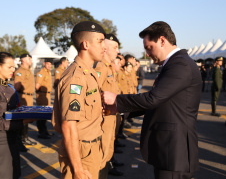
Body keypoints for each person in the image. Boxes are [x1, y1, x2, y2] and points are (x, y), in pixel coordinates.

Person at [102, 21, 202, 179]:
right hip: (169, 150)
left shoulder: (180, 64)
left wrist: (116, 99)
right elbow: (158, 101)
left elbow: (153, 98)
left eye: (149, 47)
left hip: (174, 151)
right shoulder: (174, 64)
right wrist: (119, 109)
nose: (147, 54)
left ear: (162, 40)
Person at [51, 21, 106, 179]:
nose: (104, 47)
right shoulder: (76, 77)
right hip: (81, 154)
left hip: (91, 148)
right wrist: (78, 169)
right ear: (86, 44)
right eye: (100, 41)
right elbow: (69, 125)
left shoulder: (89, 72)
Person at [94, 33, 122, 178]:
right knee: (101, 158)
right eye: (115, 47)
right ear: (105, 49)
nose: (117, 51)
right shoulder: (101, 68)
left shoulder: (109, 68)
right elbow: (92, 93)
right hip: (103, 120)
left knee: (107, 153)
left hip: (110, 119)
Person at [0, 52, 32, 179]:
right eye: (9, 67)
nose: (13, 70)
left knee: (15, 173)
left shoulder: (8, 87)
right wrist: (23, 121)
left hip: (12, 138)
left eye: (14, 67)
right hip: (2, 141)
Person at [14, 54, 37, 149]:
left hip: (29, 98)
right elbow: (16, 87)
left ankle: (25, 138)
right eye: (29, 58)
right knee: (22, 119)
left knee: (26, 119)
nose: (31, 60)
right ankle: (19, 141)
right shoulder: (20, 72)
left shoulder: (28, 71)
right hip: (23, 97)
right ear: (24, 60)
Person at [36, 58, 53, 139]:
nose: (49, 66)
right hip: (42, 95)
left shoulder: (48, 72)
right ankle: (41, 132)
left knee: (45, 115)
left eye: (50, 64)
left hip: (47, 95)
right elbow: (37, 86)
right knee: (41, 115)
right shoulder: (41, 73)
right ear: (44, 64)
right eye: (48, 64)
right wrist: (40, 94)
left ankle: (45, 131)